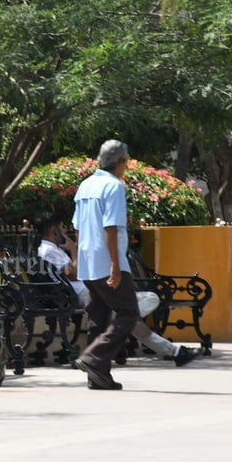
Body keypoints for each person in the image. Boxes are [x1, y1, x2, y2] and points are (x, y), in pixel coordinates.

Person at [33, 211, 202, 368]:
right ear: (53, 229)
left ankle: (169, 348)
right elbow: (74, 275)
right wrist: (74, 250)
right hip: (79, 295)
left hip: (85, 292)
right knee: (137, 310)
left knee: (145, 303)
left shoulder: (51, 249)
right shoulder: (48, 251)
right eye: (62, 228)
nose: (65, 231)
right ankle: (173, 350)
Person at [69, 140, 142, 390]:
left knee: (98, 318)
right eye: (126, 162)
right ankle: (92, 358)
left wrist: (78, 259)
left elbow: (77, 227)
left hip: (89, 260)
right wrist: (114, 265)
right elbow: (110, 227)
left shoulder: (86, 185)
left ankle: (98, 376)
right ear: (121, 162)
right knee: (129, 312)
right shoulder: (114, 186)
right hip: (107, 259)